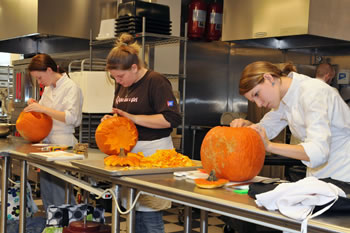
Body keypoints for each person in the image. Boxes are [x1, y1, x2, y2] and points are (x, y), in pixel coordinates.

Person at [101, 33, 181, 233]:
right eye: (115, 78)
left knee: (149, 213)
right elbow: (121, 115)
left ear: (134, 68)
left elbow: (171, 119)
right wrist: (112, 121)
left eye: (120, 76)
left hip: (154, 154)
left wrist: (133, 119)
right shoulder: (123, 84)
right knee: (132, 212)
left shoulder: (157, 82)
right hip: (129, 155)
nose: (118, 81)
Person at [230, 61, 350, 182]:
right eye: (253, 100)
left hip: (343, 177)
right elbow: (266, 129)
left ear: (268, 78)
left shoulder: (313, 92)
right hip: (319, 178)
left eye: (256, 94)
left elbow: (318, 152)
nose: (259, 104)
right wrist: (249, 127)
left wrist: (270, 146)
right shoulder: (284, 97)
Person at [24, 53, 83, 212]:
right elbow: (45, 115)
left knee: (60, 194)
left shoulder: (71, 87)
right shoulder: (50, 88)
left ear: (49, 70)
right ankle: (53, 226)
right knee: (48, 193)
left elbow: (72, 118)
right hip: (48, 146)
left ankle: (67, 225)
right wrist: (36, 105)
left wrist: (42, 108)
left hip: (64, 146)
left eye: (40, 77)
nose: (39, 82)